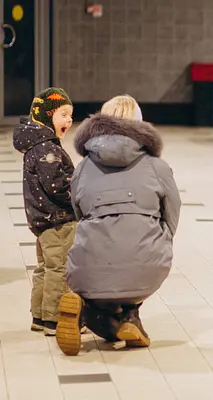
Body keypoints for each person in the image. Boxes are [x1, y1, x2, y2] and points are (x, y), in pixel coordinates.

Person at [55, 95, 181, 356]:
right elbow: (172, 214)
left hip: (89, 266)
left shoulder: (83, 168)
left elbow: (79, 213)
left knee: (99, 266)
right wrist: (160, 241)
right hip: (146, 265)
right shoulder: (158, 167)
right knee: (135, 263)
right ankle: (130, 317)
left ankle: (85, 311)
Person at [13, 88, 78, 336]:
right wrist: (77, 193)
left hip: (42, 220)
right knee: (59, 268)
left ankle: (39, 316)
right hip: (57, 220)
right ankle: (53, 319)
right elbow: (57, 187)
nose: (69, 121)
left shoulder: (37, 144)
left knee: (45, 268)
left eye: (71, 115)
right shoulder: (46, 149)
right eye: (63, 114)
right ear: (46, 116)